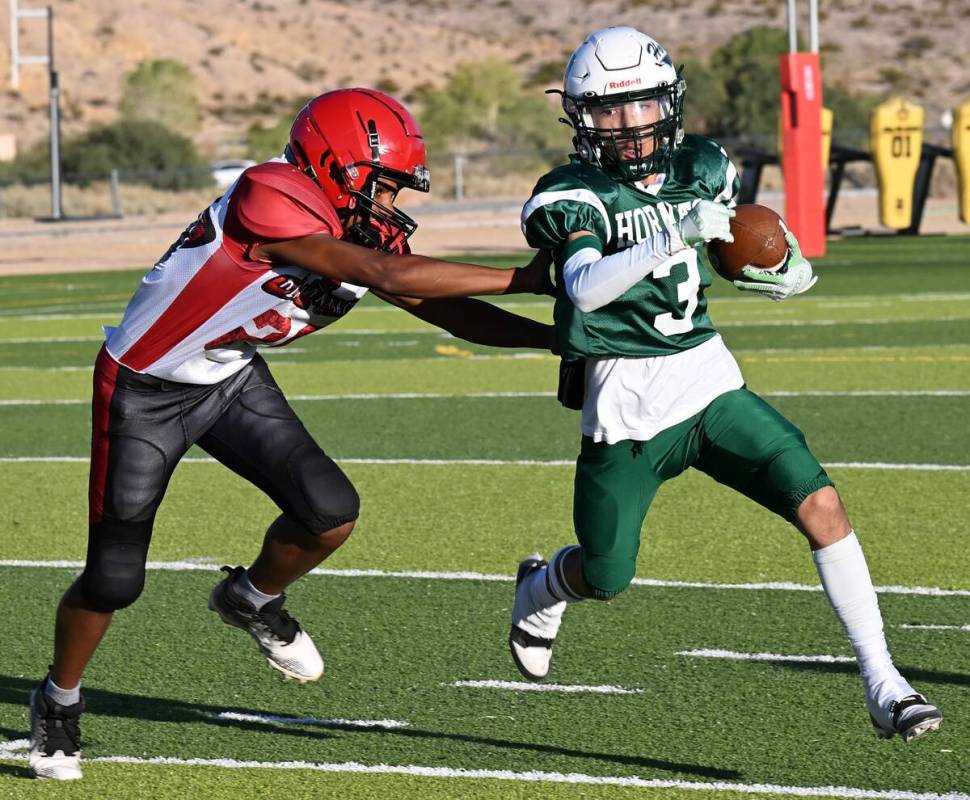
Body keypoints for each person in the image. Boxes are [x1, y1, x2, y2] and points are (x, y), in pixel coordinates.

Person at [28, 88, 557, 780]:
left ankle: (251, 597)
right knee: (114, 579)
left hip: (228, 377)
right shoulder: (270, 192)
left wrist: (558, 342)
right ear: (336, 165)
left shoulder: (367, 230)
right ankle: (58, 700)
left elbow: (451, 312)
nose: (393, 202)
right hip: (145, 388)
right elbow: (380, 272)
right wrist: (530, 278)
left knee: (328, 512)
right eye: (386, 183)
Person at [509, 26, 942, 743]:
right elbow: (584, 287)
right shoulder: (573, 192)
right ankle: (546, 584)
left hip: (708, 383)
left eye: (643, 106)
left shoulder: (703, 166)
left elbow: (730, 242)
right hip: (626, 410)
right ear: (583, 119)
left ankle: (883, 681)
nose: (630, 124)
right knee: (608, 574)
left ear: (668, 103)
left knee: (822, 503)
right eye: (610, 111)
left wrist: (780, 266)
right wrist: (670, 232)